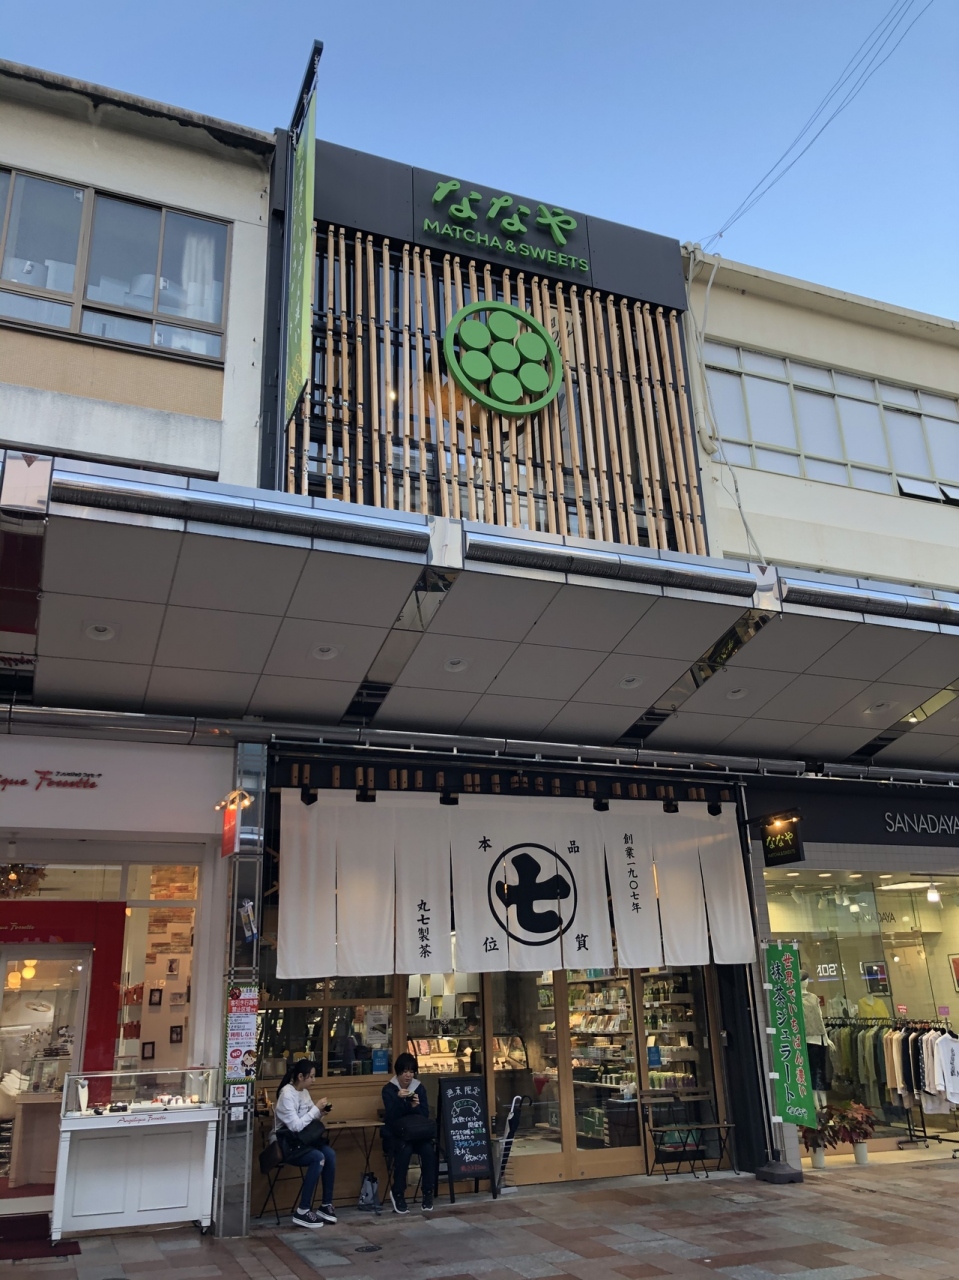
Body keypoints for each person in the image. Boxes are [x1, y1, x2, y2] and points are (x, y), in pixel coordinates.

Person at [273, 1059, 337, 1229]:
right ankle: (303, 1210)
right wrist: (315, 1109)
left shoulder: (304, 1092)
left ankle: (326, 1205)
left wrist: (320, 1113)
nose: (314, 1080)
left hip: (304, 1140)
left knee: (330, 1154)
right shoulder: (286, 1095)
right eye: (311, 1076)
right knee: (318, 1157)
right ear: (301, 1076)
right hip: (289, 1144)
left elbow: (309, 1119)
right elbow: (295, 1126)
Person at [381, 1052, 436, 1214]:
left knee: (428, 1150)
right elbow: (391, 1117)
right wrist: (400, 1100)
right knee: (404, 1150)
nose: (408, 1075)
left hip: (417, 1134)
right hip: (396, 1135)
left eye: (411, 1071)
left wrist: (416, 1106)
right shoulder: (389, 1090)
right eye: (405, 1071)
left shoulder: (419, 1088)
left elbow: (425, 1114)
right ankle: (398, 1192)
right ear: (398, 1072)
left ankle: (428, 1192)